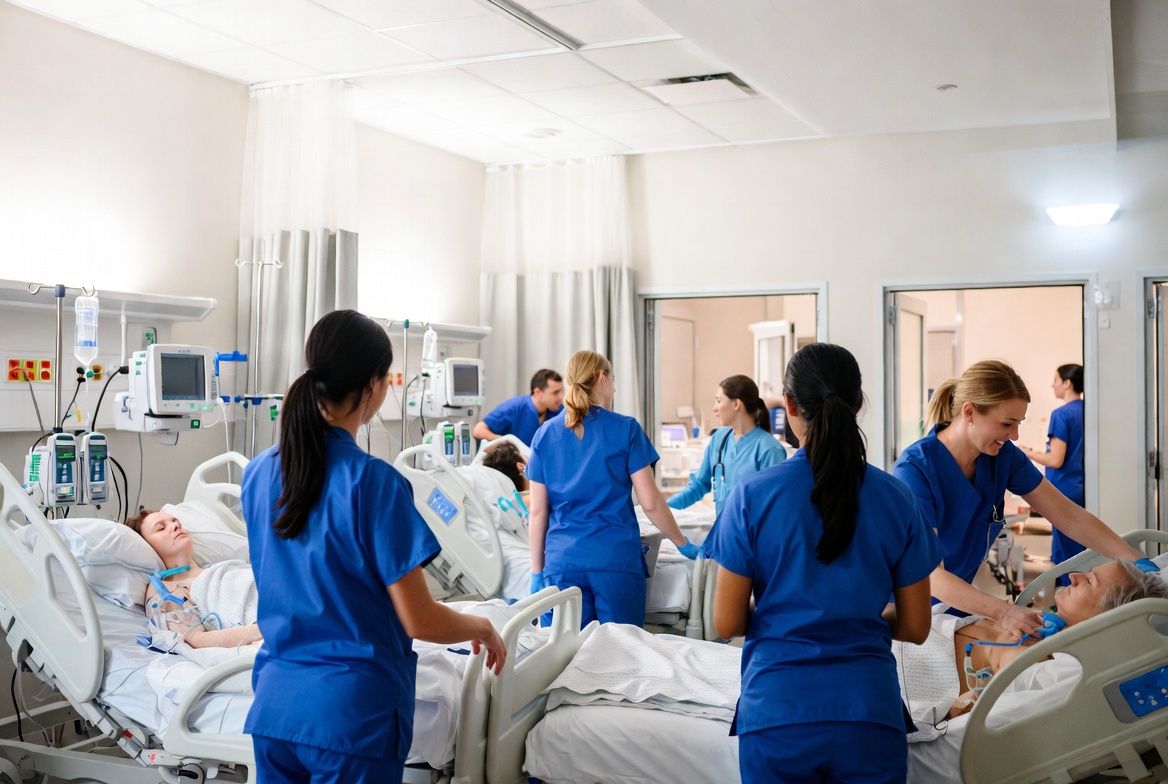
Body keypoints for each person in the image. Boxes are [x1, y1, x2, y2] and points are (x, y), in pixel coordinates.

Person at [240, 309, 506, 784]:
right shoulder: (375, 483)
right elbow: (420, 619)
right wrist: (482, 626)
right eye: (388, 379)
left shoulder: (258, 473)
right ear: (373, 386)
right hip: (352, 717)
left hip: (277, 707)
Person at [707, 343, 942, 784]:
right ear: (858, 405)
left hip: (778, 713)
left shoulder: (751, 497)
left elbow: (726, 623)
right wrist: (853, 615)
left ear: (790, 405)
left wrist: (786, 612)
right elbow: (915, 626)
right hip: (869, 713)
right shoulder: (897, 498)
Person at [892, 360, 1152, 641]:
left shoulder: (1003, 457)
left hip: (958, 606)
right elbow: (930, 574)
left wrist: (1140, 562)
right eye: (1006, 424)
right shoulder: (916, 469)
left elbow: (1069, 515)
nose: (1014, 436)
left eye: (1018, 424)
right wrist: (1003, 612)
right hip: (907, 607)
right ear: (969, 413)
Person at [527, 350, 700, 627]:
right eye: (614, 379)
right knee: (621, 649)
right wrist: (683, 544)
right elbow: (651, 503)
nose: (615, 388)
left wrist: (537, 572)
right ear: (602, 377)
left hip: (563, 563)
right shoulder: (626, 429)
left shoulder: (544, 434)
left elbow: (537, 512)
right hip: (615, 561)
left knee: (567, 652)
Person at [897, 559, 1168, 725]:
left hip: (908, 670)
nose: (1073, 576)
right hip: (906, 634)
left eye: (1089, 581)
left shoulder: (1038, 660)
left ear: (1105, 620)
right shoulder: (1042, 626)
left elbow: (974, 705)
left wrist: (1001, 653)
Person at [126, 508, 261, 649]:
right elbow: (197, 640)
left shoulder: (219, 569)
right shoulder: (165, 590)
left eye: (176, 522)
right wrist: (267, 628)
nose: (175, 525)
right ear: (146, 546)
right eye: (161, 528)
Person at [667, 374, 786, 517]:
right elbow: (699, 485)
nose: (714, 408)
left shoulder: (769, 449)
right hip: (723, 528)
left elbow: (772, 507)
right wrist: (664, 509)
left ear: (736, 404)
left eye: (719, 401)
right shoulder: (719, 438)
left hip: (751, 530)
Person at [1020, 364, 1086, 574]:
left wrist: (1025, 453)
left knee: (1066, 556)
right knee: (1079, 547)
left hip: (1063, 489)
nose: (1052, 385)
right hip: (1081, 488)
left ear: (1067, 383)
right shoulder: (1088, 410)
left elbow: (1056, 460)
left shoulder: (1061, 414)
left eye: (1055, 380)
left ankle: (1066, 590)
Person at [473, 369, 564, 445]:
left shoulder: (559, 411)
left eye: (561, 391)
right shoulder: (515, 407)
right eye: (555, 393)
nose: (561, 397)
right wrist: (507, 443)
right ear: (537, 392)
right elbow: (478, 430)